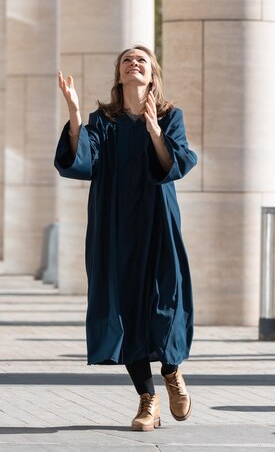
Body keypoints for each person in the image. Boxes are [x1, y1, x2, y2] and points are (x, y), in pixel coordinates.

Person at [54, 44, 197, 432]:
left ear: (152, 74)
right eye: (127, 61)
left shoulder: (170, 116)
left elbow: (176, 163)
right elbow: (83, 159)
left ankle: (171, 370)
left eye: (142, 61)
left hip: (157, 222)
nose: (134, 64)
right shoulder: (104, 121)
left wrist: (153, 131)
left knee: (166, 300)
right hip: (116, 225)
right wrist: (74, 114)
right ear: (120, 75)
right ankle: (147, 400)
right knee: (125, 307)